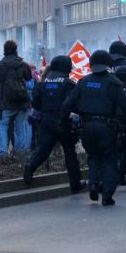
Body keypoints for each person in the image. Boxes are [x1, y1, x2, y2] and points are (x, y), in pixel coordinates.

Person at [62, 51, 126, 206]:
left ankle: (93, 184)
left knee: (93, 157)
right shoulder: (114, 82)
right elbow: (125, 107)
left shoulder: (83, 82)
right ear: (108, 64)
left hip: (86, 126)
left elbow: (67, 104)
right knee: (109, 159)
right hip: (107, 127)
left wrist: (80, 112)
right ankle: (107, 195)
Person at [24, 56, 84, 193]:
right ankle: (75, 184)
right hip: (64, 121)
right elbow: (74, 104)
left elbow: (36, 104)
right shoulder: (69, 83)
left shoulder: (42, 83)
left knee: (43, 150)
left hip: (46, 121)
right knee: (69, 153)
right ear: (66, 67)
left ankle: (30, 166)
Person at [0, 40, 33, 156]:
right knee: (20, 127)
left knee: (2, 126)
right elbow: (28, 78)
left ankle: (2, 153)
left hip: (6, 101)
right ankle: (20, 152)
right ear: (16, 49)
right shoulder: (23, 64)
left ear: (4, 50)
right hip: (22, 101)